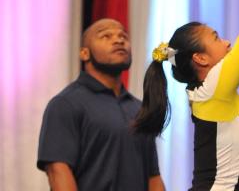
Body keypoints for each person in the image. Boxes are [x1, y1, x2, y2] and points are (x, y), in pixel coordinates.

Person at [133, 0, 239, 190]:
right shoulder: (213, 90)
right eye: (216, 38)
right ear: (200, 58)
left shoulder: (211, 93)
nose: (226, 43)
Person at [37, 18, 164, 191]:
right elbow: (57, 171)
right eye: (106, 36)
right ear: (84, 53)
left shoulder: (140, 109)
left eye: (123, 36)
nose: (119, 40)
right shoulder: (65, 104)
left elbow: (153, 176)